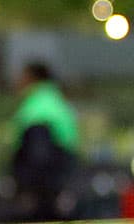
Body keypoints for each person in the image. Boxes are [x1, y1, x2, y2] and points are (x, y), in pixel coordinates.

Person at [7, 62, 79, 222]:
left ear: (32, 78)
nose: (18, 80)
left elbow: (38, 156)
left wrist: (28, 192)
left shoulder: (37, 108)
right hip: (58, 187)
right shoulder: (58, 103)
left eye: (22, 76)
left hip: (43, 196)